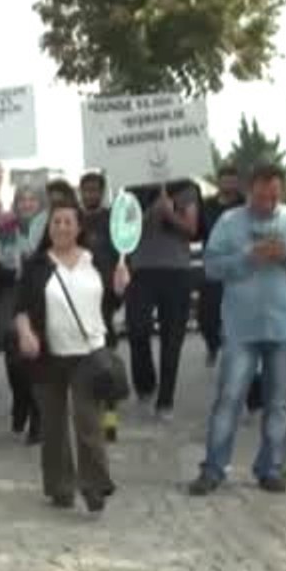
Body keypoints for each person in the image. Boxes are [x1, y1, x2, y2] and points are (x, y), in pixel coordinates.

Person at [188, 164, 286, 496]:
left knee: (278, 402)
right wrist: (249, 256)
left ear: (284, 192)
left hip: (283, 327)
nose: (267, 203)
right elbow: (212, 266)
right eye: (261, 196)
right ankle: (214, 468)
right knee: (230, 398)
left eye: (274, 196)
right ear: (249, 191)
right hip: (240, 328)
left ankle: (270, 467)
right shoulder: (230, 222)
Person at [13, 183, 130, 513]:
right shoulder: (37, 266)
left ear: (79, 227)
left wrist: (120, 285)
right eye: (56, 222)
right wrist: (26, 334)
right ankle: (59, 484)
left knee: (87, 420)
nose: (62, 227)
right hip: (48, 354)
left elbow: (112, 299)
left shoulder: (97, 261)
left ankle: (94, 486)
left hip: (89, 353)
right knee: (52, 423)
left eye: (68, 222)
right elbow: (20, 308)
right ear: (48, 229)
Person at [125, 180, 201, 420]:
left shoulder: (186, 188)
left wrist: (169, 213)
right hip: (141, 270)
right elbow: (124, 232)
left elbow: (191, 228)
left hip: (176, 270)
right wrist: (151, 212)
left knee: (172, 337)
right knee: (137, 329)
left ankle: (165, 400)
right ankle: (145, 385)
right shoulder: (131, 190)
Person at [0, 185, 46, 444]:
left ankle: (38, 416)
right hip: (12, 292)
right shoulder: (6, 230)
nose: (26, 204)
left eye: (31, 199)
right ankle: (20, 400)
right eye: (22, 200)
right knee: (13, 351)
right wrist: (8, 265)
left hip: (40, 294)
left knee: (35, 356)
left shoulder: (48, 228)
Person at [79, 171, 124, 442]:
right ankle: (87, 414)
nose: (90, 195)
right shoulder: (75, 221)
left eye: (95, 190)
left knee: (106, 363)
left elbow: (125, 250)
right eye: (86, 190)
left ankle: (110, 419)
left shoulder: (112, 219)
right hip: (79, 300)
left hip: (104, 300)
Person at [197, 165, 245, 364]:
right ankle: (212, 345)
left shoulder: (246, 205)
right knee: (207, 313)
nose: (228, 184)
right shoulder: (206, 205)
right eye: (225, 179)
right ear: (218, 181)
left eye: (232, 179)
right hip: (214, 264)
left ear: (237, 182)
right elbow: (197, 231)